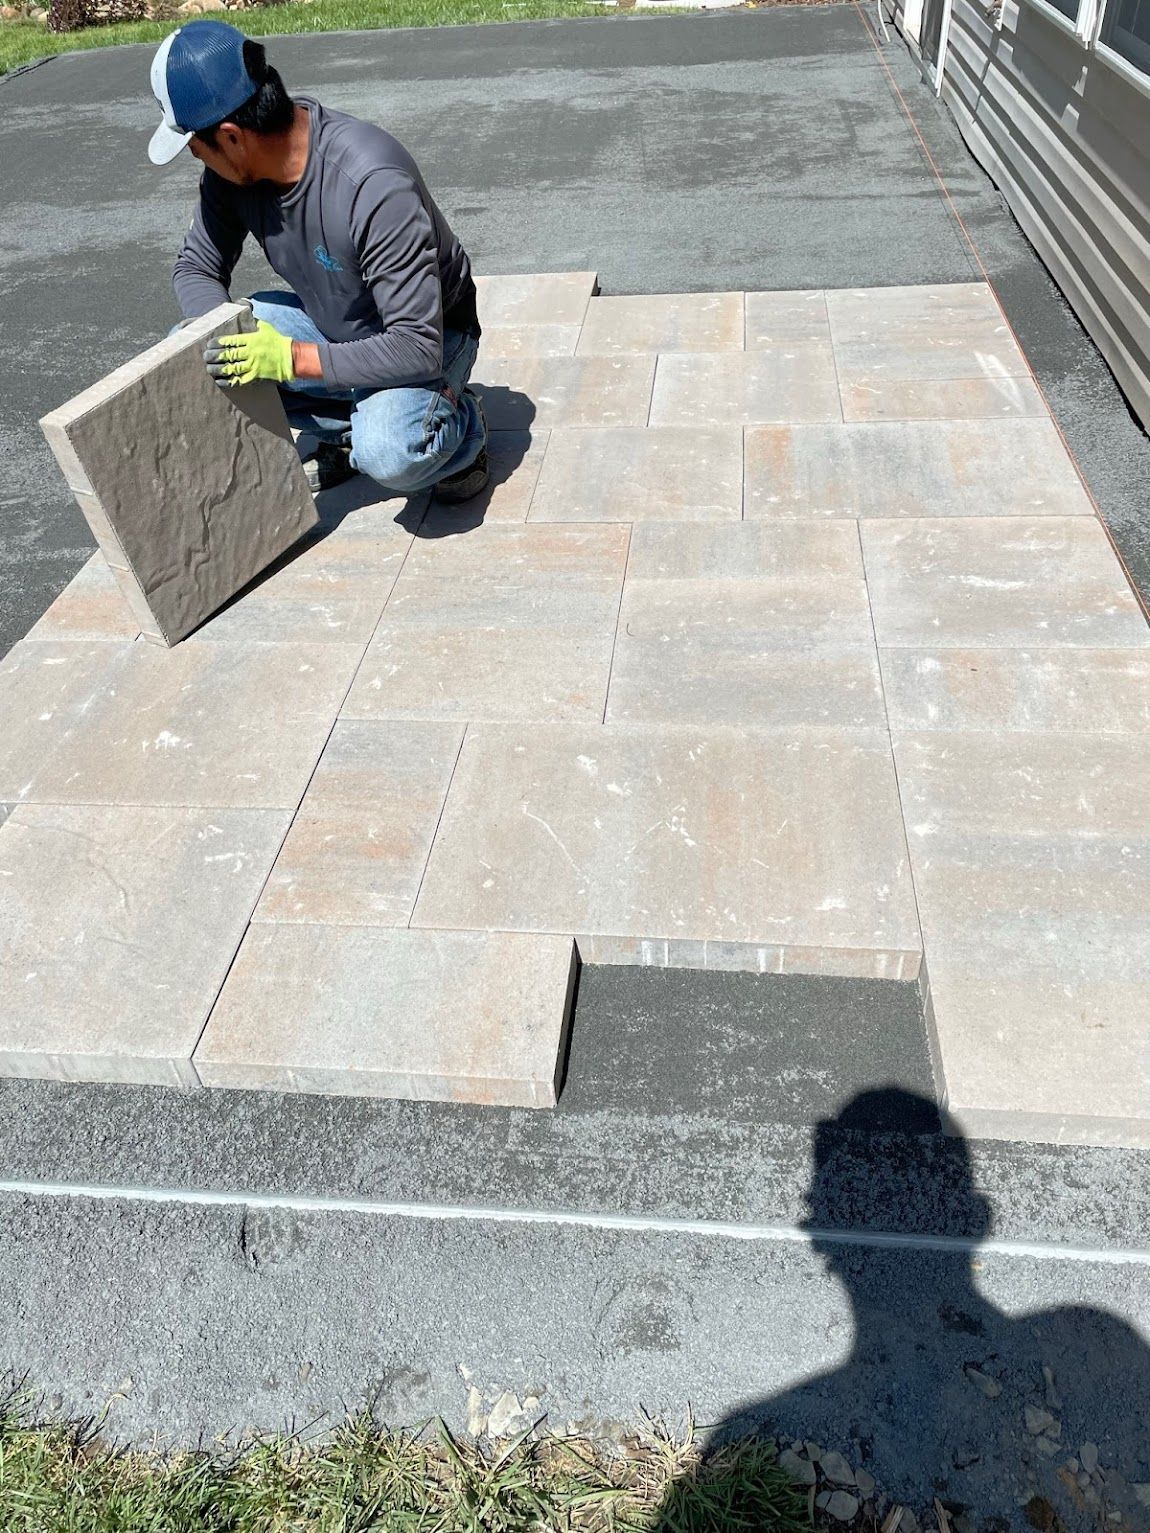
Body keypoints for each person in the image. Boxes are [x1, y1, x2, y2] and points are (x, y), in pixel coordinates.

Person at [147, 19, 488, 501]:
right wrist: (221, 333)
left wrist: (289, 359)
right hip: (337, 327)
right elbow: (197, 266)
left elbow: (415, 346)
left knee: (391, 450)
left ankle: (462, 426)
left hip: (434, 338)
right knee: (201, 352)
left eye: (194, 148)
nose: (196, 161)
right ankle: (347, 429)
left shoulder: (371, 184)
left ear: (230, 137)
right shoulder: (230, 176)